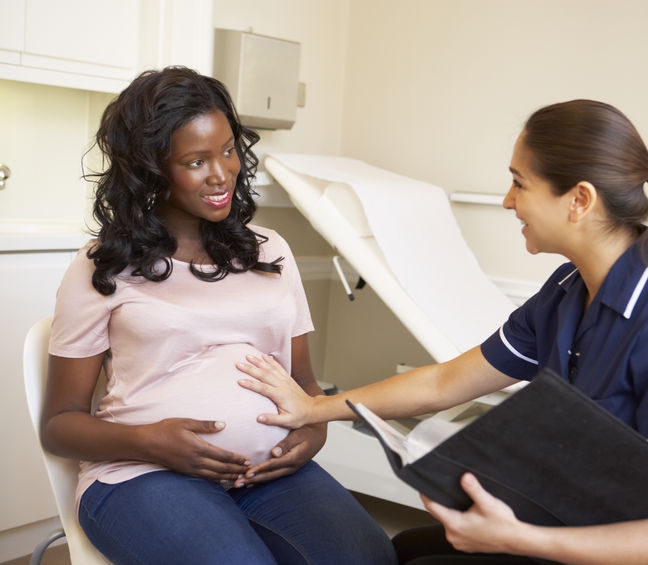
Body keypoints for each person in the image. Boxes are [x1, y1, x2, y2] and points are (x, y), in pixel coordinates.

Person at [235, 99, 648, 564]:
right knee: (406, 550)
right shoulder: (569, 289)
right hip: (595, 524)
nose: (507, 201)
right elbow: (445, 383)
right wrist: (312, 408)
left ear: (580, 200)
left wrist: (518, 538)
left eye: (519, 184)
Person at [40, 66, 397, 565]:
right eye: (195, 160)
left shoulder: (270, 250)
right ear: (150, 168)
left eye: (228, 150)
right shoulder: (105, 265)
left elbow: (307, 389)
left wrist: (314, 433)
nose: (221, 173)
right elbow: (59, 424)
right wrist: (151, 443)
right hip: (141, 475)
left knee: (370, 558)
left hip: (267, 474)